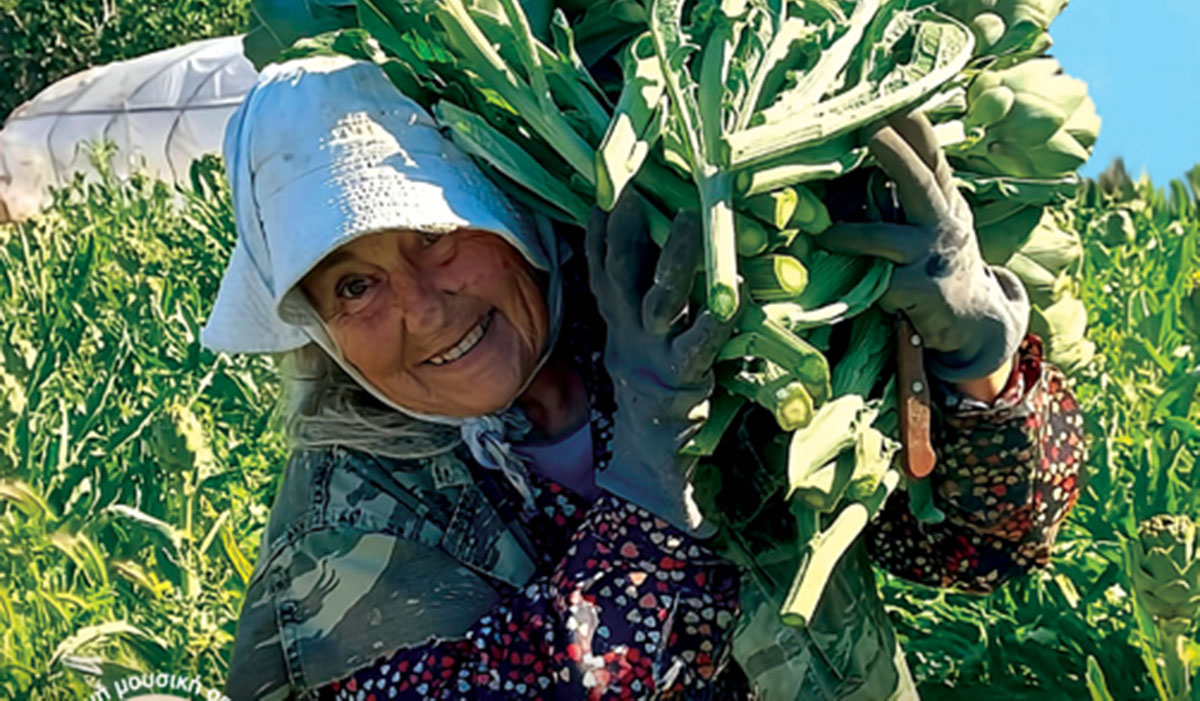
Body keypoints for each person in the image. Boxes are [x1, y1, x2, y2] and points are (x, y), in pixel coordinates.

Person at [201, 56, 1083, 700]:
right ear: (318, 326)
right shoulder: (346, 523)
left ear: (500, 203)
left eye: (434, 235)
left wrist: (976, 362)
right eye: (355, 286)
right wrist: (649, 490)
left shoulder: (704, 330)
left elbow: (975, 549)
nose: (424, 310)